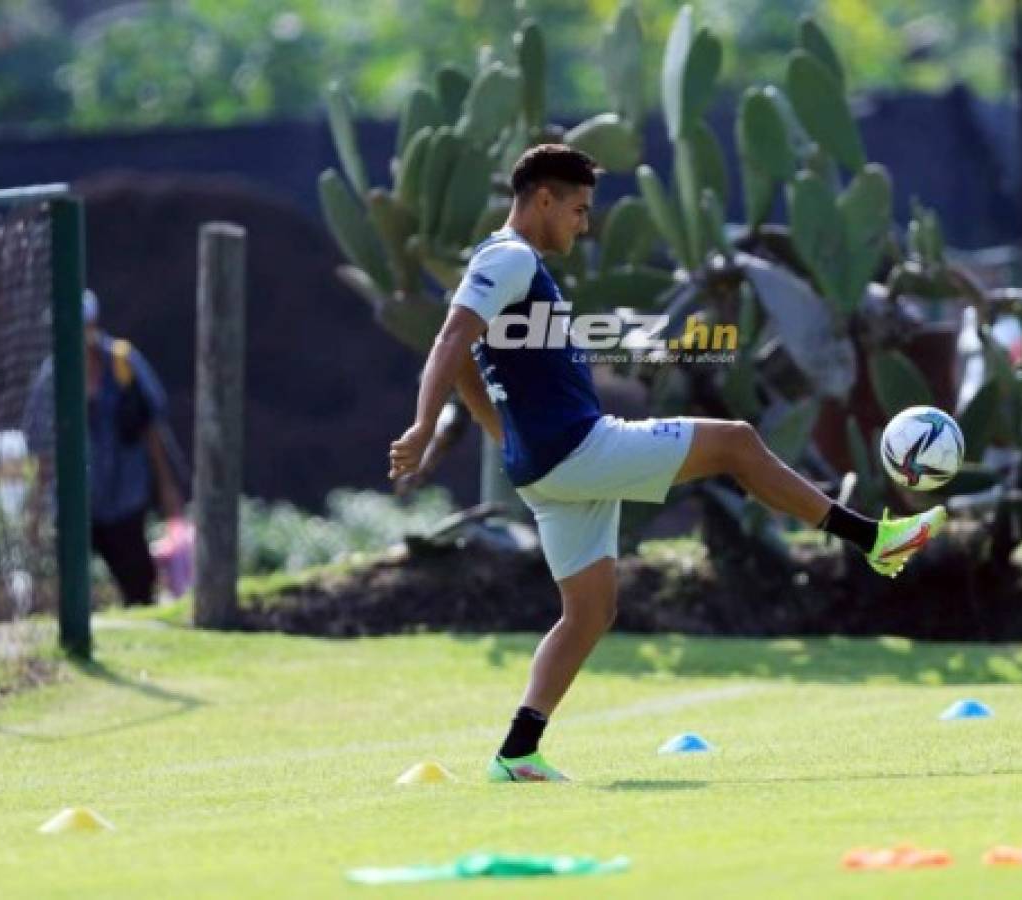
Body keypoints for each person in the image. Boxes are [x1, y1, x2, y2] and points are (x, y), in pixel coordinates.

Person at [388, 145, 947, 783]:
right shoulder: (510, 256)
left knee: (590, 611)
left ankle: (517, 754)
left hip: (547, 465)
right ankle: (873, 538)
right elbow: (451, 339)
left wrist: (502, 434)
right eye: (577, 208)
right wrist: (425, 424)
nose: (584, 223)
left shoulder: (508, 262)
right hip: (577, 450)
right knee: (736, 441)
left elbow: (466, 356)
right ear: (542, 199)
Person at [24, 289, 184, 605]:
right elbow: (43, 451)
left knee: (137, 582)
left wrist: (167, 488)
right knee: (70, 585)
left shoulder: (124, 364)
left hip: (124, 494)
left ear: (93, 323)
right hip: (73, 502)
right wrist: (35, 508)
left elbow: (152, 430)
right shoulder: (50, 378)